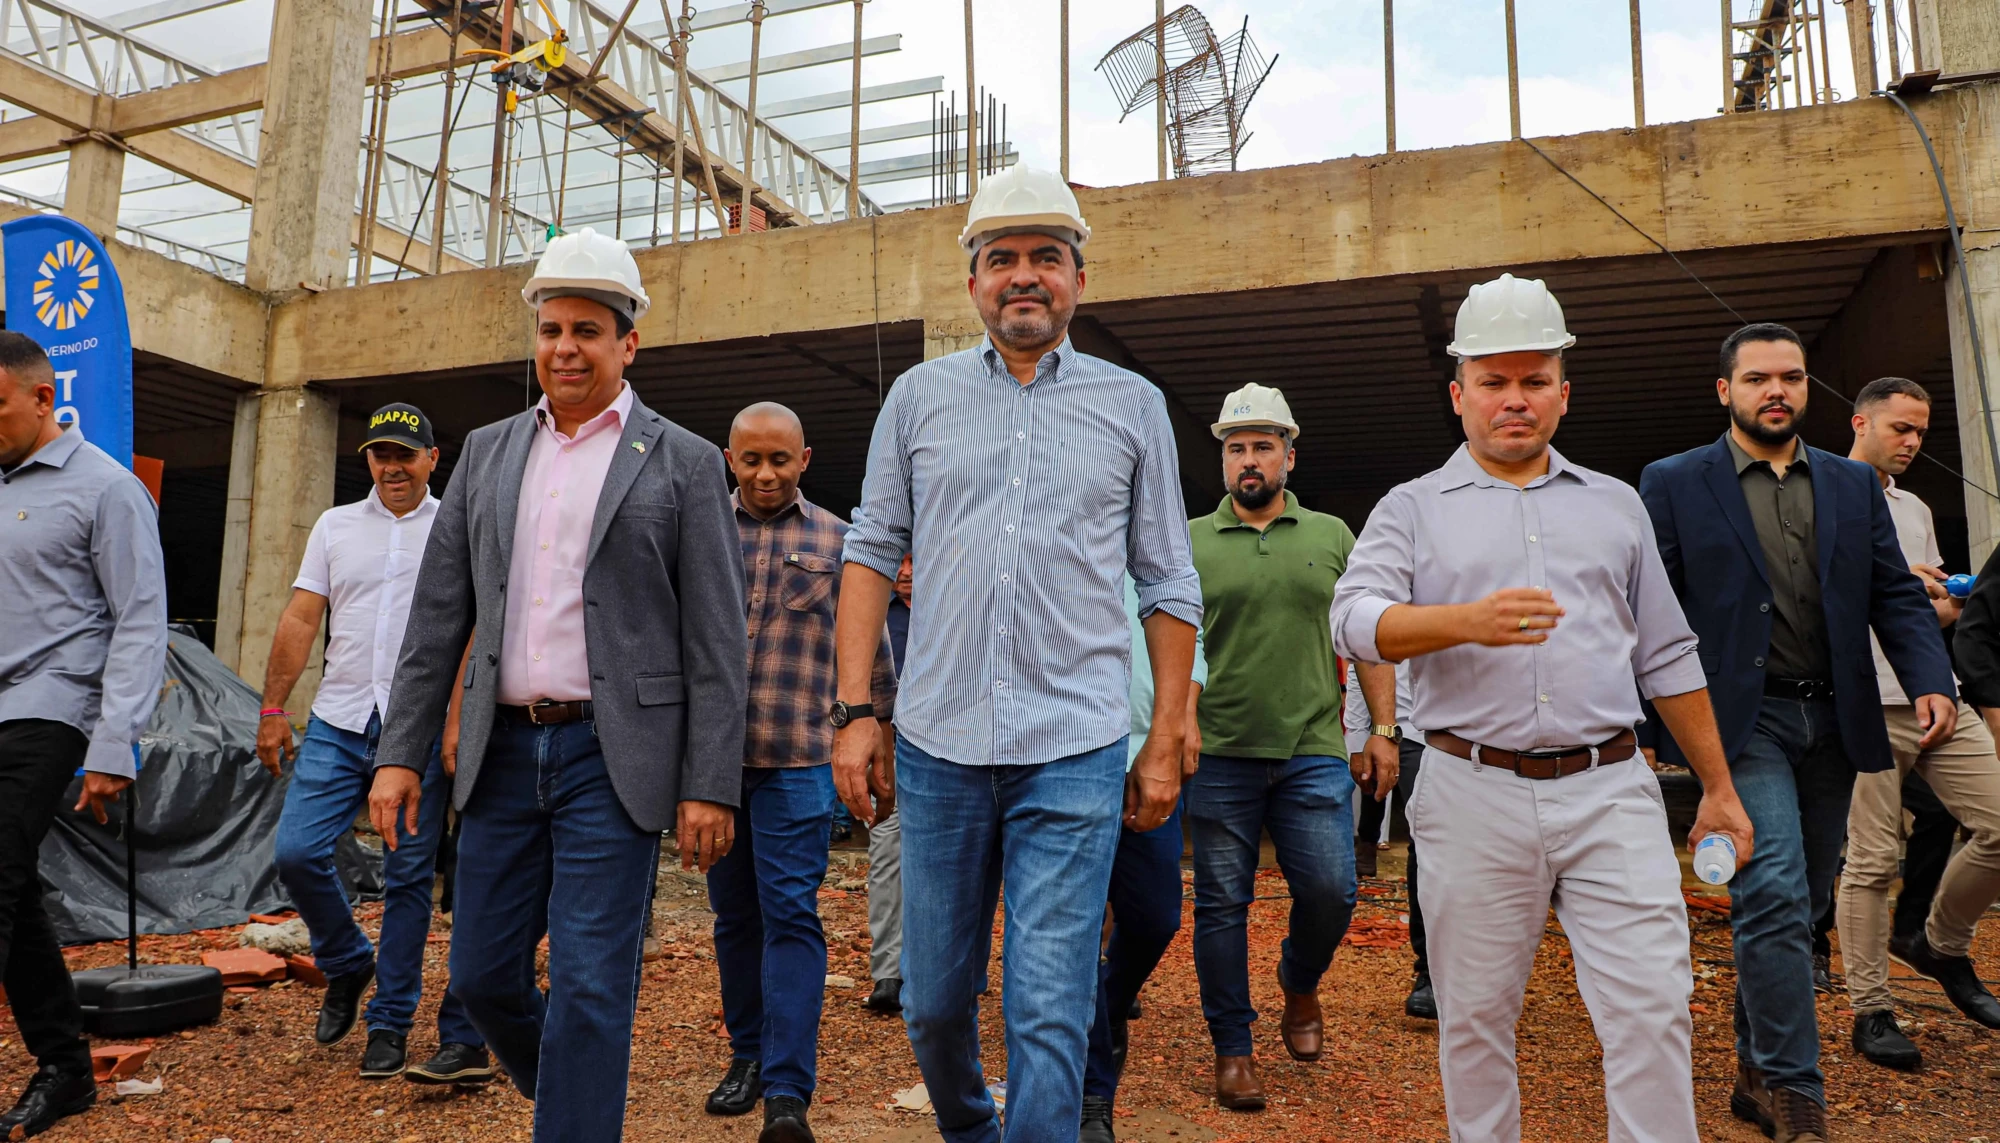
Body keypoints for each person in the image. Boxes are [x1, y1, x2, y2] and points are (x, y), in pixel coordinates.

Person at [1332, 273, 1755, 1143]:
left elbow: (1667, 652)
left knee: (1652, 1007)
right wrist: (1464, 621)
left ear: (1564, 391)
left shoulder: (1616, 506)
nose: (1514, 400)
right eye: (1494, 381)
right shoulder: (1411, 510)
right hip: (1470, 787)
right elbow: (1354, 617)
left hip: (1611, 788)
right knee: (1476, 1017)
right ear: (1460, 395)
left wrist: (1717, 784)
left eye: (1533, 380)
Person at [833, 164, 1202, 1142]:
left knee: (1047, 1008)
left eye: (1046, 257)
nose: (1023, 276)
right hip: (937, 748)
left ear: (1077, 280)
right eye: (1002, 259)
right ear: (972, 285)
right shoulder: (917, 399)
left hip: (1073, 750)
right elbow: (870, 549)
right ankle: (968, 1129)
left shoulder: (1131, 407)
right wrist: (855, 710)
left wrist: (1164, 733)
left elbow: (1167, 581)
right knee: (933, 1006)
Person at [367, 229, 746, 1143]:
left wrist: (708, 781)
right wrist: (400, 755)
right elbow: (436, 620)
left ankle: (576, 1119)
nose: (564, 347)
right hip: (498, 756)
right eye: (550, 330)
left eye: (586, 329)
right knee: (483, 976)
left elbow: (716, 638)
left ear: (628, 343)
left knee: (589, 981)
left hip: (609, 756)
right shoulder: (491, 453)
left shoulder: (685, 461)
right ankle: (578, 1095)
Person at [1639, 326, 1955, 1142]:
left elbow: (1894, 591)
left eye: (1791, 377)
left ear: (1809, 388)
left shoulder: (1854, 486)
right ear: (1725, 391)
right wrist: (1652, 720)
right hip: (1740, 722)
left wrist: (1929, 676)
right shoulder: (1674, 482)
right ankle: (1793, 1087)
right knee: (1774, 888)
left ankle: (1752, 1064)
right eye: (1756, 379)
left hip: (1837, 716)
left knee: (1803, 897)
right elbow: (1651, 609)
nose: (1774, 391)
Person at [256, 403, 492, 1084]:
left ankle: (389, 1022)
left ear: (430, 459)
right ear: (368, 460)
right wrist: (274, 705)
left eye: (404, 455)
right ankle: (347, 959)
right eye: (380, 455)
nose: (392, 467)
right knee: (297, 850)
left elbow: (475, 629)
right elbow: (303, 615)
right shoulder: (335, 526)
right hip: (338, 718)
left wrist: (453, 719)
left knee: (409, 877)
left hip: (413, 730)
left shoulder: (456, 527)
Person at [1185, 383, 1384, 1110]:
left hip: (1313, 746)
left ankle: (1298, 982)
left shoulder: (1333, 535)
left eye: (1263, 445)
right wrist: (1175, 725)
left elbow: (1366, 638)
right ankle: (1233, 1048)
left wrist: (1381, 732)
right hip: (1220, 751)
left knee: (1332, 888)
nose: (1248, 459)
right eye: (1237, 446)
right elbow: (1169, 643)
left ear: (1289, 457)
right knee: (1221, 904)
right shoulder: (1189, 540)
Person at [703, 403, 897, 1140]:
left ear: (805, 459)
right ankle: (746, 1053)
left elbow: (869, 648)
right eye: (751, 459)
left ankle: (787, 1088)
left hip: (799, 762)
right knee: (733, 916)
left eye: (779, 459)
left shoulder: (841, 541)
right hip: (715, 769)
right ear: (730, 458)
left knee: (789, 911)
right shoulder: (702, 532)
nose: (765, 473)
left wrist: (875, 731)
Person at [0, 332, 166, 1138]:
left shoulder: (106, 488)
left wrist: (113, 743)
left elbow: (140, 620)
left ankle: (61, 1067)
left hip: (52, 707)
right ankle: (66, 1066)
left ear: (41, 398)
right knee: (14, 890)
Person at [1834, 376, 2000, 1070]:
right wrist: (1901, 576)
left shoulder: (1916, 506)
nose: (1911, 443)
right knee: (1871, 860)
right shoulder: (1823, 494)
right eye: (1899, 428)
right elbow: (1825, 596)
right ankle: (1871, 1010)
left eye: (1920, 432)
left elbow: (1914, 612)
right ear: (1861, 422)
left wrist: (1941, 602)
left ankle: (1939, 943)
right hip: (1865, 695)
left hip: (1934, 688)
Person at [1080, 575, 1206, 1142]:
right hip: (1068, 760)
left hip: (1143, 756)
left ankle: (1108, 1002)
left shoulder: (1154, 565)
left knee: (1157, 916)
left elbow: (1188, 645)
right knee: (1074, 931)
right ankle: (1092, 1098)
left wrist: (1182, 722)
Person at [1343, 659, 1434, 1020]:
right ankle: (1429, 971)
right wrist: (1357, 736)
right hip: (1408, 732)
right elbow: (1362, 657)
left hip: (1482, 738)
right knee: (1425, 845)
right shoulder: (1394, 602)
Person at [864, 553, 915, 1016]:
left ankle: (961, 971)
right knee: (886, 856)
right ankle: (887, 974)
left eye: (913, 560)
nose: (903, 571)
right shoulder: (877, 614)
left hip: (958, 750)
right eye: (898, 561)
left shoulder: (967, 607)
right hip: (891, 748)